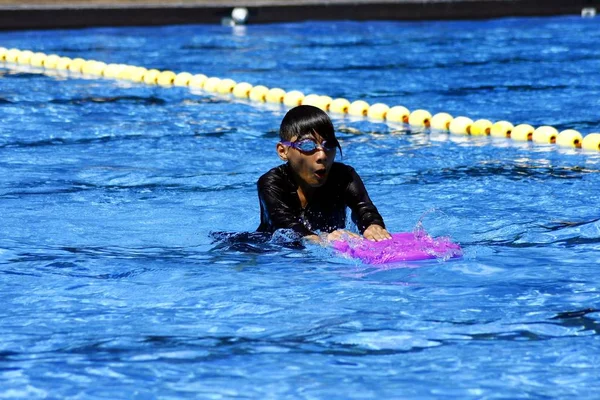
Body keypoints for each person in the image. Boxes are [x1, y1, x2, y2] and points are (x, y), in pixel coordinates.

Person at [256, 105, 391, 243]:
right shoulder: (272, 183)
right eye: (307, 145)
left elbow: (365, 210)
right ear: (283, 151)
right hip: (271, 252)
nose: (322, 155)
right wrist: (323, 239)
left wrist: (373, 226)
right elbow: (285, 226)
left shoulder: (344, 177)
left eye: (329, 145)